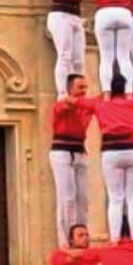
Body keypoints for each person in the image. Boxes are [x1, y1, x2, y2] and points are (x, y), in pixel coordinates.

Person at [57, 73, 133, 240]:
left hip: (112, 151)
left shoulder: (100, 105)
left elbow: (71, 101)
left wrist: (66, 94)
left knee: (115, 198)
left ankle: (115, 238)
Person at [50, 74, 95, 245]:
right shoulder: (61, 105)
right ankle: (66, 241)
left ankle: (81, 236)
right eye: (80, 88)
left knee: (83, 199)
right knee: (67, 199)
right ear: (69, 89)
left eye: (85, 88)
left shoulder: (84, 106)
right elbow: (67, 106)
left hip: (79, 151)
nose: (84, 92)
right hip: (62, 151)